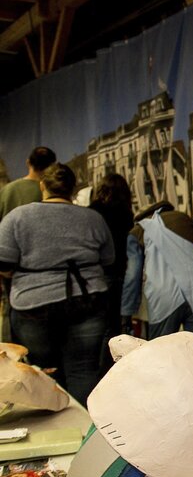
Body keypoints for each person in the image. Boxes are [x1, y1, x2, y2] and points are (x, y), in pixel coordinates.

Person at [0, 163, 114, 404]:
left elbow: (4, 263)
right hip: (88, 300)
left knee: (42, 371)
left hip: (33, 303)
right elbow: (108, 260)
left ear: (42, 186)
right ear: (72, 188)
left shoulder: (18, 217)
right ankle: (85, 434)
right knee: (84, 370)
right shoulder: (93, 218)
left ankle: (55, 429)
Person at [121, 201, 193, 340]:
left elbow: (133, 274)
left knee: (162, 352)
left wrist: (127, 312)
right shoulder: (183, 218)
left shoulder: (137, 231)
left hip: (164, 294)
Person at [0, 146, 56, 342]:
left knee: (10, 312)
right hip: (46, 270)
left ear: (28, 162)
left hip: (11, 268)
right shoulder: (50, 195)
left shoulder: (7, 191)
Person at [88, 173, 133, 369]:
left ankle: (96, 367)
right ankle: (109, 368)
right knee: (112, 327)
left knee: (95, 327)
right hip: (117, 274)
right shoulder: (126, 215)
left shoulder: (92, 213)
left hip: (93, 274)